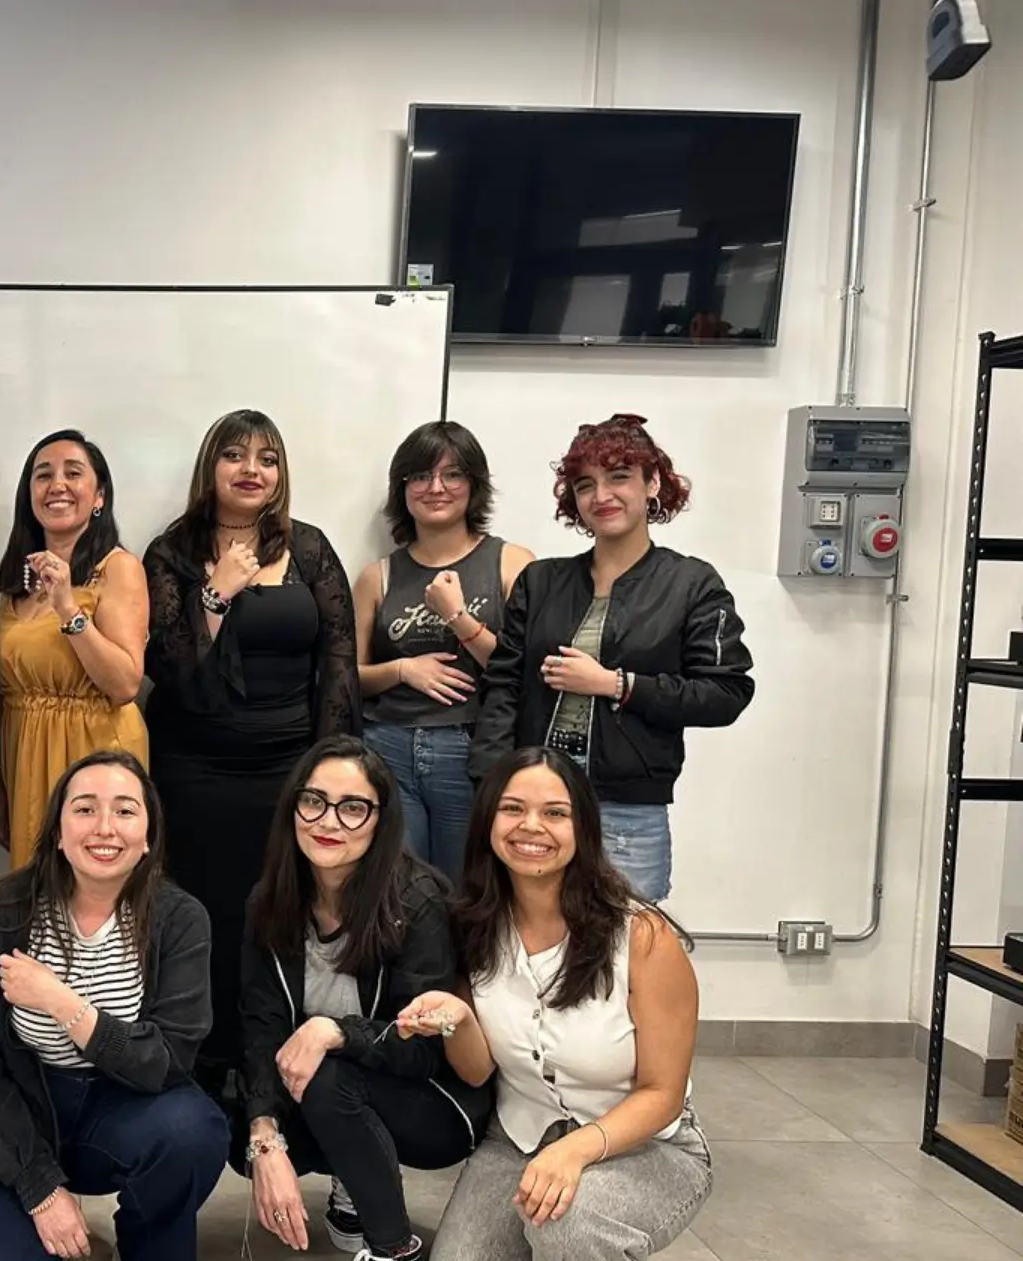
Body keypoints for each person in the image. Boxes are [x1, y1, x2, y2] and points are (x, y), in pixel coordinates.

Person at [0, 751, 229, 1261]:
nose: (104, 828)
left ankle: (141, 1248)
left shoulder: (179, 919)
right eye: (85, 809)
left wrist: (65, 1005)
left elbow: (166, 1062)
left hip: (114, 1109)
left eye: (125, 811)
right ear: (59, 831)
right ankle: (19, 1228)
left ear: (148, 834)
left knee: (193, 1129)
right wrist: (40, 1188)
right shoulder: (4, 911)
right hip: (4, 1118)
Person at [416, 746, 710, 1261]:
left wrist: (575, 1152)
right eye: (513, 809)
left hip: (644, 1146)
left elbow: (663, 1093)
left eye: (555, 813)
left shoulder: (642, 937)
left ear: (583, 829)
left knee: (570, 1234)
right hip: (519, 1138)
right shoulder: (472, 927)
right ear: (488, 822)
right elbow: (476, 1072)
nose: (532, 827)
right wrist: (455, 1017)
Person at [239, 736, 492, 1261]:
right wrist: (264, 1139)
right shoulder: (271, 901)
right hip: (347, 1085)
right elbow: (260, 1027)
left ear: (381, 820)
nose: (329, 822)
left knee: (329, 1074)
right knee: (235, 1118)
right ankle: (355, 1174)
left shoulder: (417, 900)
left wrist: (334, 1030)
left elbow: (424, 1049)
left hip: (436, 1103)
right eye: (314, 801)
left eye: (353, 807)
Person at [143, 408, 360, 1097]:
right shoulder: (172, 551)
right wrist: (216, 594)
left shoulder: (310, 548)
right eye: (234, 455)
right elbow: (167, 667)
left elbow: (339, 662)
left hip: (285, 773)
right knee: (200, 914)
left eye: (267, 458)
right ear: (211, 466)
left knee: (276, 915)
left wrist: (331, 768)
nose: (251, 470)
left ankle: (268, 1067)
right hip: (194, 773)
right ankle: (203, 1065)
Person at [469, 414, 753, 901]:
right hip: (535, 799)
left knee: (627, 940)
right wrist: (493, 785)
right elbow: (503, 687)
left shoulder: (691, 584)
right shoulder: (541, 581)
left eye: (619, 477)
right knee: (525, 934)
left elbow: (726, 692)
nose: (601, 495)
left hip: (628, 809)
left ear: (653, 484)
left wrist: (617, 684)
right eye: (585, 485)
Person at [353, 421, 533, 885]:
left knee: (469, 887)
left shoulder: (511, 562)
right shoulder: (378, 576)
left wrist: (458, 618)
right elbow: (348, 676)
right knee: (400, 889)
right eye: (420, 476)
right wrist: (402, 670)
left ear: (474, 485)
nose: (436, 488)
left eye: (453, 475)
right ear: (402, 489)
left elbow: (527, 671)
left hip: (473, 749)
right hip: (388, 746)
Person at [0, 429, 149, 869]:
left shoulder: (117, 568)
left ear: (99, 496)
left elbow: (124, 683)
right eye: (43, 475)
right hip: (25, 753)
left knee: (93, 885)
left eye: (73, 473)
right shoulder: (13, 582)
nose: (57, 485)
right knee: (37, 891)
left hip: (94, 751)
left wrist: (67, 607)